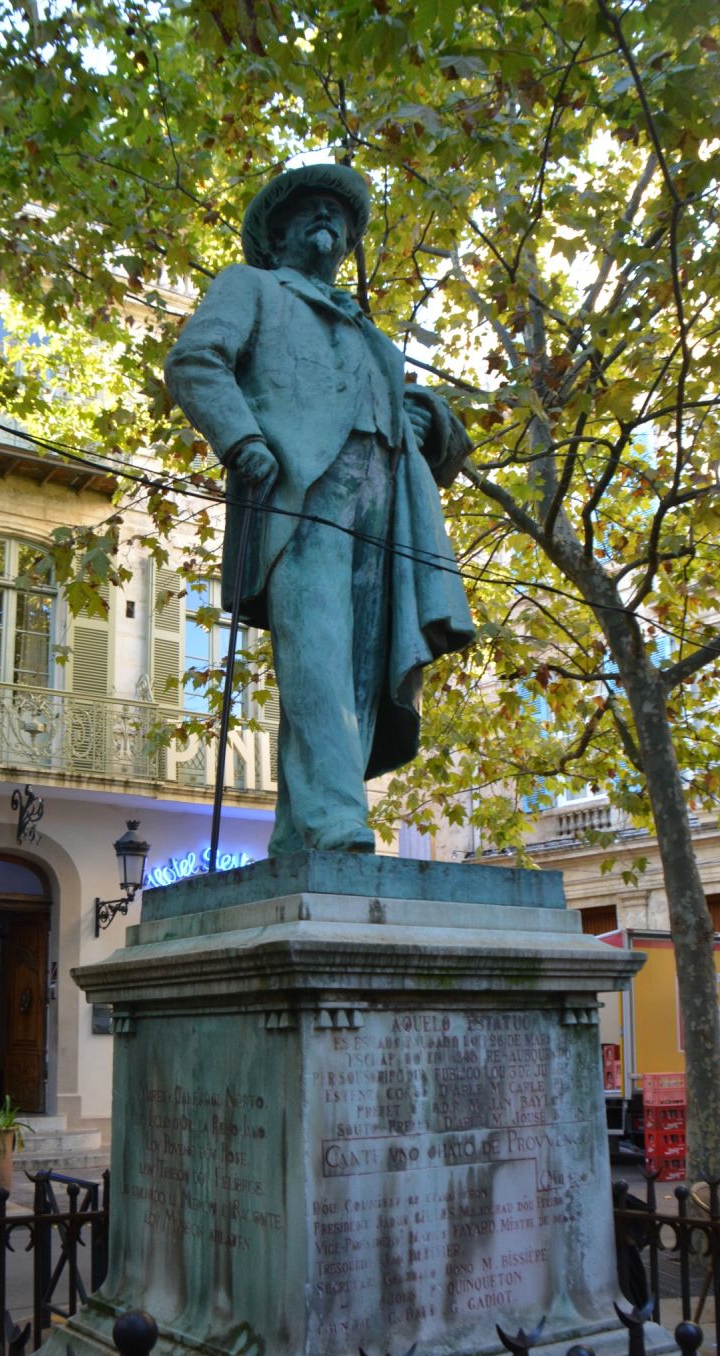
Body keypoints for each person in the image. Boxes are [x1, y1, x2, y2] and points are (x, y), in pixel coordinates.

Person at [164, 163, 475, 854]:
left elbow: (408, 416)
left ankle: (298, 833)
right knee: (318, 648)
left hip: (384, 499)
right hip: (300, 491)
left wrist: (422, 417)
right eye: (309, 208)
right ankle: (335, 815)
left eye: (337, 212)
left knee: (363, 667)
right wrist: (242, 439)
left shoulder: (366, 328)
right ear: (277, 235)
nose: (326, 217)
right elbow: (195, 360)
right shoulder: (252, 286)